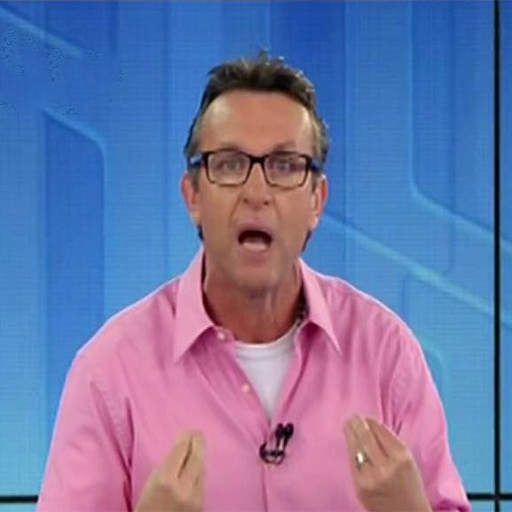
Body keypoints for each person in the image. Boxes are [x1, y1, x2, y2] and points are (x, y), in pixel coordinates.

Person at [37, 52, 471, 512]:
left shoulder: (386, 354)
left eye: (284, 166)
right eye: (229, 164)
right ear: (192, 196)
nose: (257, 192)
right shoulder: (110, 371)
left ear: (317, 201)